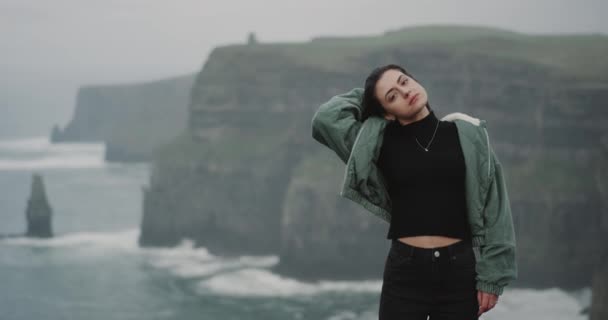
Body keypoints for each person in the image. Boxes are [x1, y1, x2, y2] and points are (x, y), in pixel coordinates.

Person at [311, 64, 517, 319]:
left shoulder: (469, 135)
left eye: (404, 81)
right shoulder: (376, 142)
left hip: (459, 272)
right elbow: (325, 118)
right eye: (392, 96)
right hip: (405, 272)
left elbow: (495, 207)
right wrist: (370, 95)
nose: (405, 92)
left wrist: (493, 276)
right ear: (386, 112)